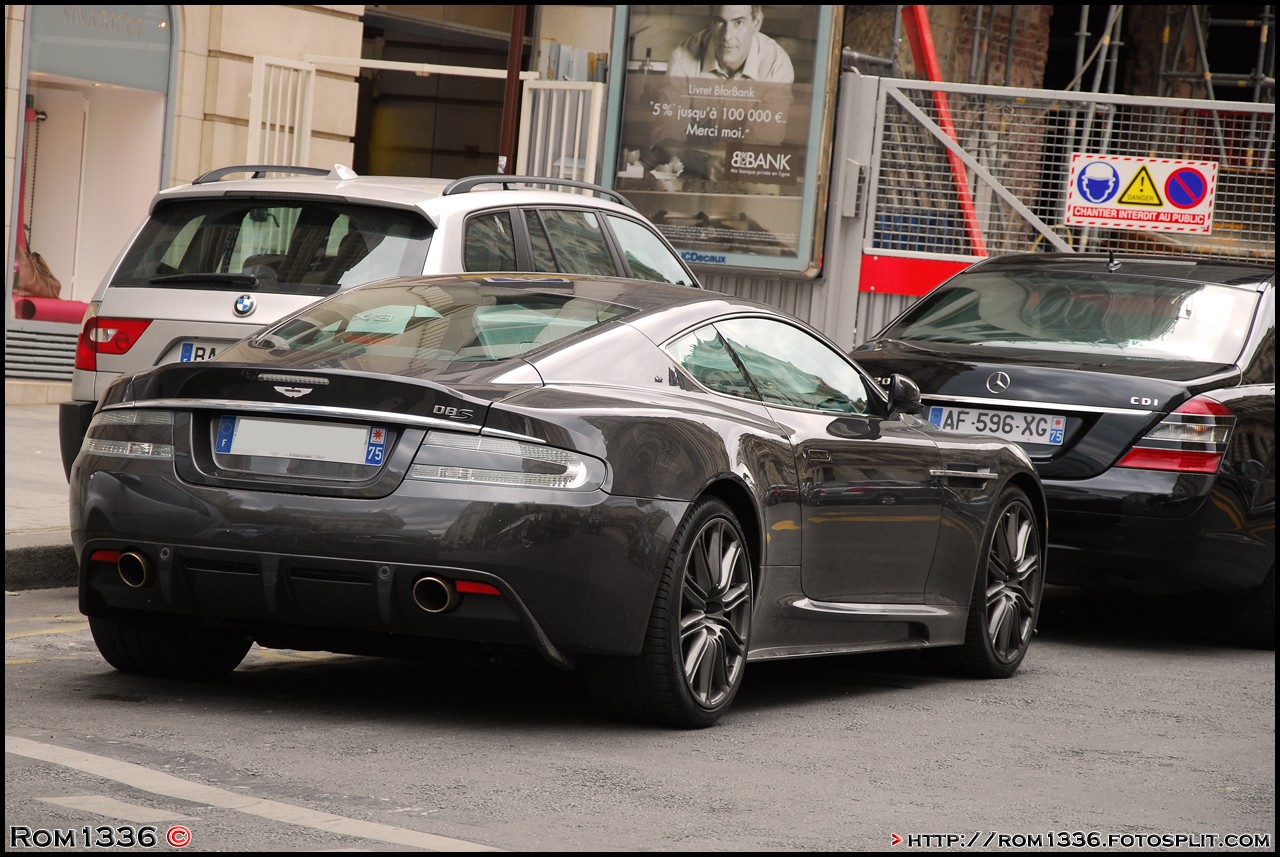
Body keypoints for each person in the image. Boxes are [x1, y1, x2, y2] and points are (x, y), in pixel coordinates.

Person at [666, 5, 794, 83]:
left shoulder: (775, 64)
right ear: (710, 21)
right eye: (720, 21)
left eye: (738, 23)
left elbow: (765, 128)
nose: (727, 36)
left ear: (756, 23)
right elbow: (671, 125)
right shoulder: (683, 57)